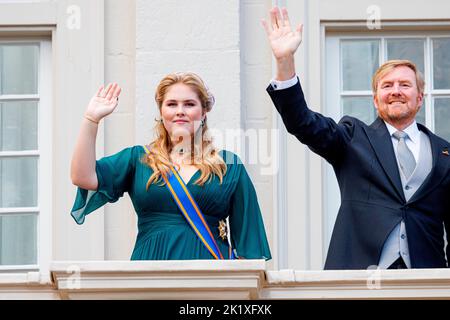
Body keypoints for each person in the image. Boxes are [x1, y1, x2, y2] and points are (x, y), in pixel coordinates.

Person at [262, 7, 450, 269]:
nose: (395, 91)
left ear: (420, 98)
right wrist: (285, 63)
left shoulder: (445, 153)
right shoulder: (353, 136)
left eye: (405, 85)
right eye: (387, 86)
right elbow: (303, 123)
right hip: (358, 277)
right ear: (375, 100)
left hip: (427, 282)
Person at [70, 72, 271, 261]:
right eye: (172, 104)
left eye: (189, 104)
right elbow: (82, 177)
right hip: (150, 270)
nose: (180, 111)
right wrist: (91, 119)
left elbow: (249, 247)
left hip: (209, 275)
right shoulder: (139, 159)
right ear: (162, 111)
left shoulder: (227, 166)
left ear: (203, 112)